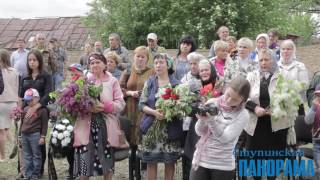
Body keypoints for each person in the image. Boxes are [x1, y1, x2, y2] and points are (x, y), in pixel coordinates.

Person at [73, 53, 125, 180]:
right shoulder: (83, 80)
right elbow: (75, 102)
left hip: (106, 128)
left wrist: (105, 106)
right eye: (92, 63)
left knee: (107, 164)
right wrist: (86, 107)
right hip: (86, 127)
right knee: (85, 163)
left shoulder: (112, 81)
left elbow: (121, 103)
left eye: (98, 62)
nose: (95, 65)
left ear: (104, 64)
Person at [190, 76, 250, 180]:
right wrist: (201, 119)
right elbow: (199, 132)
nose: (229, 100)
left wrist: (211, 121)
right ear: (226, 88)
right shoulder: (213, 102)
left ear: (243, 101)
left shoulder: (243, 114)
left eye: (235, 99)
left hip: (223, 165)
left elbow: (224, 138)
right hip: (201, 160)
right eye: (228, 95)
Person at [244, 49, 288, 180]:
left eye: (266, 59)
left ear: (273, 60)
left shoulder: (282, 76)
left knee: (274, 161)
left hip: (276, 126)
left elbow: (290, 99)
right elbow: (243, 97)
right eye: (261, 60)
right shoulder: (251, 76)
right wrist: (255, 107)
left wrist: (279, 108)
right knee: (256, 160)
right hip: (255, 126)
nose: (263, 63)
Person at [139, 53, 182, 180]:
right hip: (152, 129)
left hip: (171, 129)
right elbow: (141, 104)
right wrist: (154, 112)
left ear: (168, 65)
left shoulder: (177, 84)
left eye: (161, 62)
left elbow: (181, 108)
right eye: (156, 63)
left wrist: (171, 111)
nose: (158, 65)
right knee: (151, 161)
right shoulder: (150, 82)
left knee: (169, 162)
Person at [119, 46, 154, 178]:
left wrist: (146, 96)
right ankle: (133, 169)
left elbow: (155, 88)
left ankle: (144, 168)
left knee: (143, 137)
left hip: (145, 110)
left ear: (147, 59)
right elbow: (119, 88)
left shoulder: (152, 72)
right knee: (132, 140)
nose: (140, 59)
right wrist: (130, 92)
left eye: (143, 57)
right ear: (134, 57)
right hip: (130, 108)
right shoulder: (128, 70)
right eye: (138, 56)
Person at [19, 49, 53, 177]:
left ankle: (38, 171)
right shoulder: (24, 76)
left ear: (39, 61)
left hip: (41, 111)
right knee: (23, 140)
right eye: (29, 60)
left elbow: (49, 93)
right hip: (26, 112)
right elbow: (21, 95)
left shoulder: (46, 76)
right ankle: (24, 170)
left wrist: (37, 106)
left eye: (34, 60)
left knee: (38, 140)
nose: (32, 62)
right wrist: (19, 109)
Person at [182, 58, 216, 180]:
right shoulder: (193, 84)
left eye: (206, 70)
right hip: (197, 125)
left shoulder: (219, 84)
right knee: (193, 158)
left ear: (211, 70)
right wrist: (199, 107)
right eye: (201, 71)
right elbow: (187, 106)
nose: (204, 73)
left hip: (214, 127)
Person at [19, 88, 48, 180]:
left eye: (30, 100)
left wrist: (42, 137)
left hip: (35, 135)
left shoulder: (42, 110)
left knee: (36, 155)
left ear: (37, 98)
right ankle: (27, 174)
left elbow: (45, 125)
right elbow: (22, 122)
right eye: (27, 100)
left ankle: (35, 174)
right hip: (24, 135)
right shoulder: (25, 109)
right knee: (27, 155)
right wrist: (20, 135)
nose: (28, 102)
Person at [0, 49, 19, 162]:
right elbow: (17, 87)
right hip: (13, 102)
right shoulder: (15, 71)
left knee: (1, 131)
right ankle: (14, 143)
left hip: (1, 102)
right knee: (7, 127)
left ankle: (2, 156)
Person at [278, 39, 309, 104]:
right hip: (280, 103)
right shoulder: (275, 66)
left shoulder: (300, 66)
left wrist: (288, 90)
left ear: (293, 50)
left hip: (297, 103)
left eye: (288, 49)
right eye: (283, 49)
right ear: (280, 50)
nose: (285, 51)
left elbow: (305, 84)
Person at [305, 85, 320, 180]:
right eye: (318, 96)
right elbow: (308, 120)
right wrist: (314, 108)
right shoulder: (315, 106)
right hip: (317, 142)